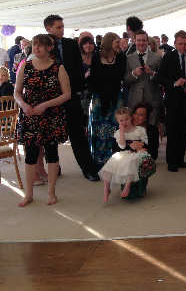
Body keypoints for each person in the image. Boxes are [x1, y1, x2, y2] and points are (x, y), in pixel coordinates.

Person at [14, 34, 70, 207]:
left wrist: (45, 105)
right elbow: (17, 92)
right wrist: (23, 104)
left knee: (52, 154)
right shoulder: (26, 66)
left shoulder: (58, 68)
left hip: (51, 117)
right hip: (29, 115)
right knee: (30, 155)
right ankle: (29, 194)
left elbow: (67, 94)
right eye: (34, 45)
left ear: (49, 47)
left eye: (40, 45)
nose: (36, 48)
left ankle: (51, 193)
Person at [44, 15, 100, 181]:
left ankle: (88, 169)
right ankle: (54, 167)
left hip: (72, 96)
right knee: (51, 136)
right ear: (48, 28)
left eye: (62, 26)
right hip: (50, 98)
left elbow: (77, 68)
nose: (62, 29)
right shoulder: (41, 45)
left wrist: (76, 88)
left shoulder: (70, 44)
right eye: (58, 27)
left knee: (77, 134)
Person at [87, 32, 127, 168]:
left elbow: (120, 76)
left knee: (116, 128)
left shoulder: (121, 57)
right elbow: (93, 79)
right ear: (109, 42)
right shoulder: (96, 57)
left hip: (116, 97)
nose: (119, 44)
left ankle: (114, 160)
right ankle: (98, 161)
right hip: (99, 98)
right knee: (98, 129)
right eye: (117, 42)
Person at [100, 107, 156, 202]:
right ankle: (107, 188)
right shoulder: (118, 132)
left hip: (138, 153)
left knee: (131, 161)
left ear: (131, 118)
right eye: (121, 120)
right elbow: (121, 146)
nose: (124, 122)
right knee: (111, 162)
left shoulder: (139, 129)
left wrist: (140, 144)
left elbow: (145, 142)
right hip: (124, 153)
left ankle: (127, 185)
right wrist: (122, 132)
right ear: (118, 121)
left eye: (126, 119)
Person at [157, 30, 186, 172]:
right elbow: (159, 78)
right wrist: (174, 83)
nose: (183, 47)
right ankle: (171, 161)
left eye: (185, 44)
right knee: (172, 130)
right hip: (173, 100)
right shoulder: (168, 57)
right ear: (174, 44)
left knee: (184, 131)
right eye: (180, 44)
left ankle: (179, 159)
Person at [122, 103, 160, 199]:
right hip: (126, 158)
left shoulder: (152, 130)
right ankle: (126, 185)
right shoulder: (125, 126)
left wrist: (142, 150)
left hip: (142, 160)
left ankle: (141, 186)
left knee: (143, 162)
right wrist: (130, 147)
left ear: (146, 117)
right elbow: (115, 148)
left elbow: (154, 154)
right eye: (135, 113)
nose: (136, 117)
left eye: (141, 115)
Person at [124, 30, 161, 126]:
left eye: (144, 40)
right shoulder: (128, 58)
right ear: (134, 41)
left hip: (152, 99)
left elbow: (161, 78)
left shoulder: (157, 58)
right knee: (136, 132)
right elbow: (125, 80)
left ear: (147, 41)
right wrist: (134, 74)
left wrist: (152, 73)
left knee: (152, 131)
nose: (141, 43)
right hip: (135, 100)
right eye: (139, 40)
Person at [79, 33, 95, 134]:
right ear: (81, 46)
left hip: (95, 90)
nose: (88, 46)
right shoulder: (78, 59)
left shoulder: (97, 57)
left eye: (90, 43)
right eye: (85, 44)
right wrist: (85, 75)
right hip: (82, 92)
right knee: (83, 118)